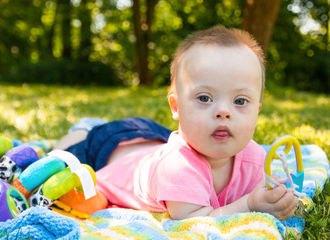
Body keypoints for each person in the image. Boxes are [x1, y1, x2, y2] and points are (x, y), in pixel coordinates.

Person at [55, 25, 298, 221]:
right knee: (61, 154)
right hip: (108, 147)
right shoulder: (177, 167)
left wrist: (276, 197)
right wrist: (249, 204)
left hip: (153, 137)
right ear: (176, 107)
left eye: (240, 101)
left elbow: (262, 191)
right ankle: (83, 129)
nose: (224, 112)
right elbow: (194, 223)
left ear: (257, 111)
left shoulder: (254, 157)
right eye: (205, 98)